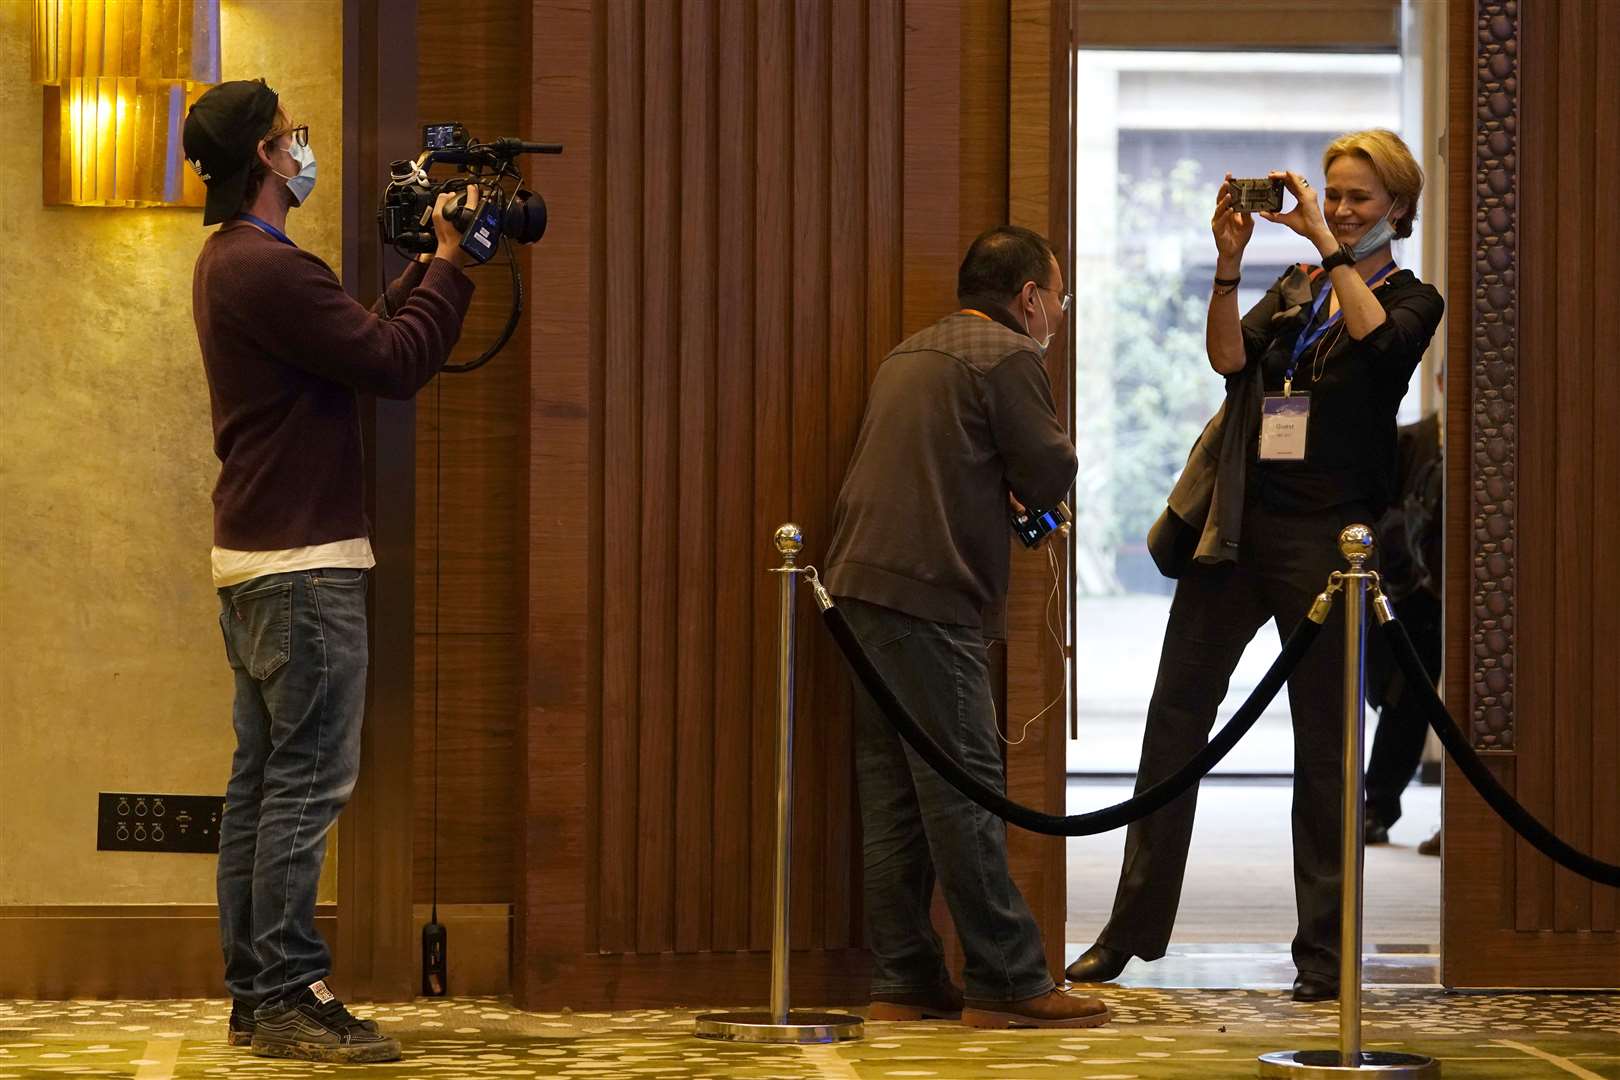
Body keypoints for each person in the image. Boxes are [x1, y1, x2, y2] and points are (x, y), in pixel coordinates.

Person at [1065, 130, 1444, 1002]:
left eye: (1357, 198)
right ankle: (1128, 932)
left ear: (1396, 207)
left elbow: (1380, 351)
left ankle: (1322, 956)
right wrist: (1229, 262)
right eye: (1332, 193)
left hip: (1329, 542)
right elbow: (1229, 362)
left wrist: (1323, 243)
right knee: (1173, 726)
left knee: (1324, 751)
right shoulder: (1298, 287)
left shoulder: (1412, 298)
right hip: (1238, 529)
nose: (1342, 209)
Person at [184, 79, 476, 1063]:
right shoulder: (268, 269)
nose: (301, 149)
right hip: (305, 568)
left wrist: (422, 278)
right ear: (265, 161)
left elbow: (357, 342)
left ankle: (256, 994)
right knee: (306, 789)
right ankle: (285, 995)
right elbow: (394, 367)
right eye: (289, 139)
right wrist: (452, 264)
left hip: (260, 562)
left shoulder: (233, 263)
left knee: (267, 787)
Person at [825, 226, 1108, 1029]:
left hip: (859, 590)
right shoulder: (1009, 357)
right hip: (929, 593)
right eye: (1058, 298)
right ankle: (1009, 982)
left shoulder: (910, 351)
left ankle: (906, 980)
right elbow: (1051, 468)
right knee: (965, 794)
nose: (1057, 314)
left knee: (894, 798)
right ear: (1028, 299)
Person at [1363, 408, 1443, 850]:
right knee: (1403, 702)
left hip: (1478, 600)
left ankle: (1460, 821)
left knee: (1481, 715)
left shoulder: (1499, 444)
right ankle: (1376, 809)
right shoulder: (1411, 442)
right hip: (1414, 595)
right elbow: (1381, 509)